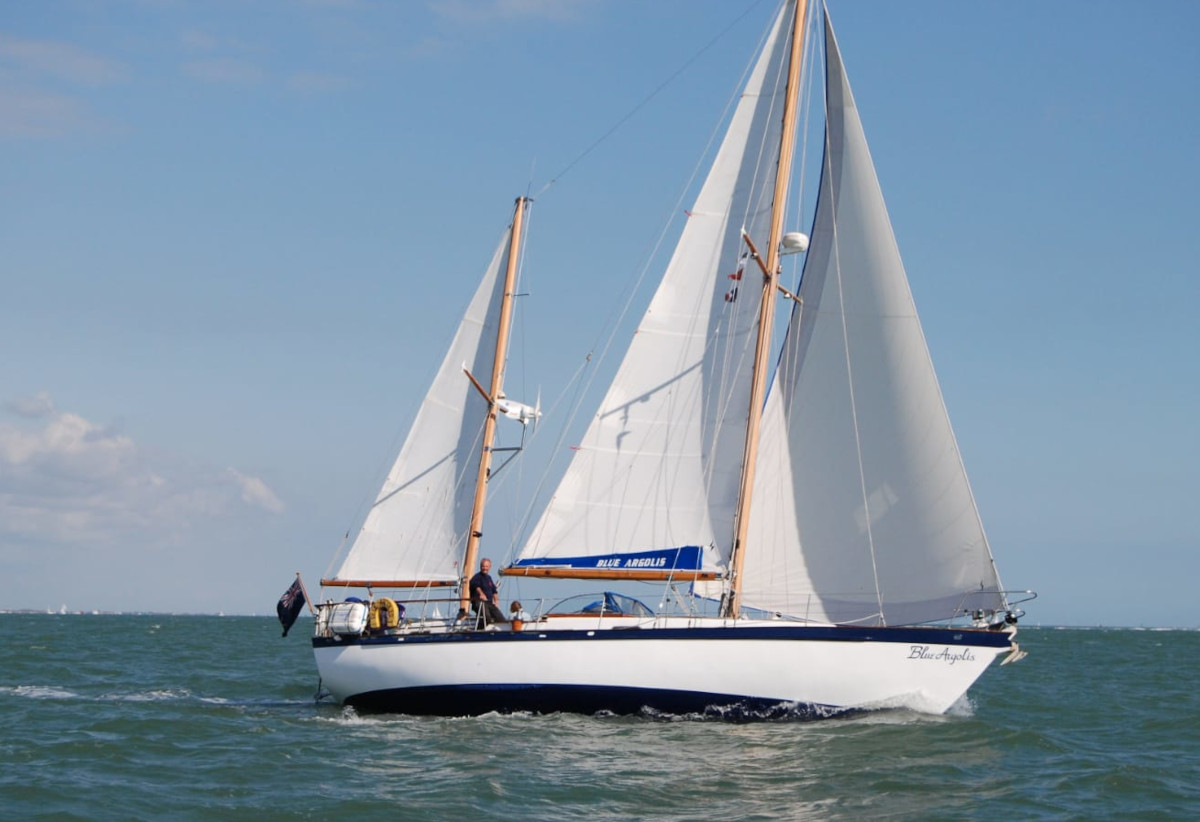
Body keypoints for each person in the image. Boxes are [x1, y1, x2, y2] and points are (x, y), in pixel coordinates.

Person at [469, 558, 507, 627]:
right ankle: (479, 631)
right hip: (479, 602)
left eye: (486, 566)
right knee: (486, 617)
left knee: (501, 619)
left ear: (489, 567)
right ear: (480, 567)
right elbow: (476, 585)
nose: (484, 568)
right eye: (483, 566)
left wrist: (496, 601)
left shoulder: (489, 578)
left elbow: (494, 591)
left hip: (489, 603)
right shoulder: (477, 577)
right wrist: (481, 594)